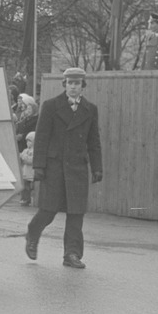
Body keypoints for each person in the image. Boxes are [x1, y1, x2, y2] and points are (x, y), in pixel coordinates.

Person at [25, 67, 103, 269]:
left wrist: (97, 167)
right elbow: (41, 138)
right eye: (70, 83)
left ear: (82, 86)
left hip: (77, 167)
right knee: (48, 210)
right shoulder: (51, 106)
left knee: (76, 213)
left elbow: (94, 141)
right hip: (54, 167)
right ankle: (33, 233)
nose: (73, 87)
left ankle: (72, 254)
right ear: (65, 85)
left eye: (77, 84)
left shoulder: (90, 109)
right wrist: (39, 166)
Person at [19, 131, 36, 206]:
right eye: (27, 141)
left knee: (31, 187)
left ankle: (30, 199)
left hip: (32, 172)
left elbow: (30, 160)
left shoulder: (35, 151)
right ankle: (25, 199)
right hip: (25, 172)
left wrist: (23, 157)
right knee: (25, 187)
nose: (28, 143)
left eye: (30, 141)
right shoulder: (25, 150)